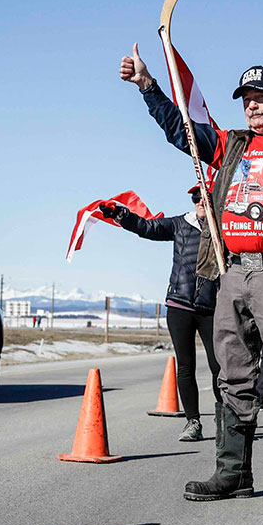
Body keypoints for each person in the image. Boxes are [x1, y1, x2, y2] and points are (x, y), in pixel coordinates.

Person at [121, 47, 263, 512]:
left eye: (261, 95)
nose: (252, 104)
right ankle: (232, 473)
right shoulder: (232, 144)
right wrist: (147, 85)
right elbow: (178, 130)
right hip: (232, 273)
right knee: (232, 375)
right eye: (246, 97)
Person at [101, 186, 221, 442]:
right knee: (185, 366)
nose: (200, 202)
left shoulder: (223, 230)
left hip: (212, 308)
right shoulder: (180, 224)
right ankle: (193, 422)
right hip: (180, 305)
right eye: (196, 198)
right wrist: (123, 216)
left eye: (206, 198)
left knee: (218, 366)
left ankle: (226, 421)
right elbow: (148, 228)